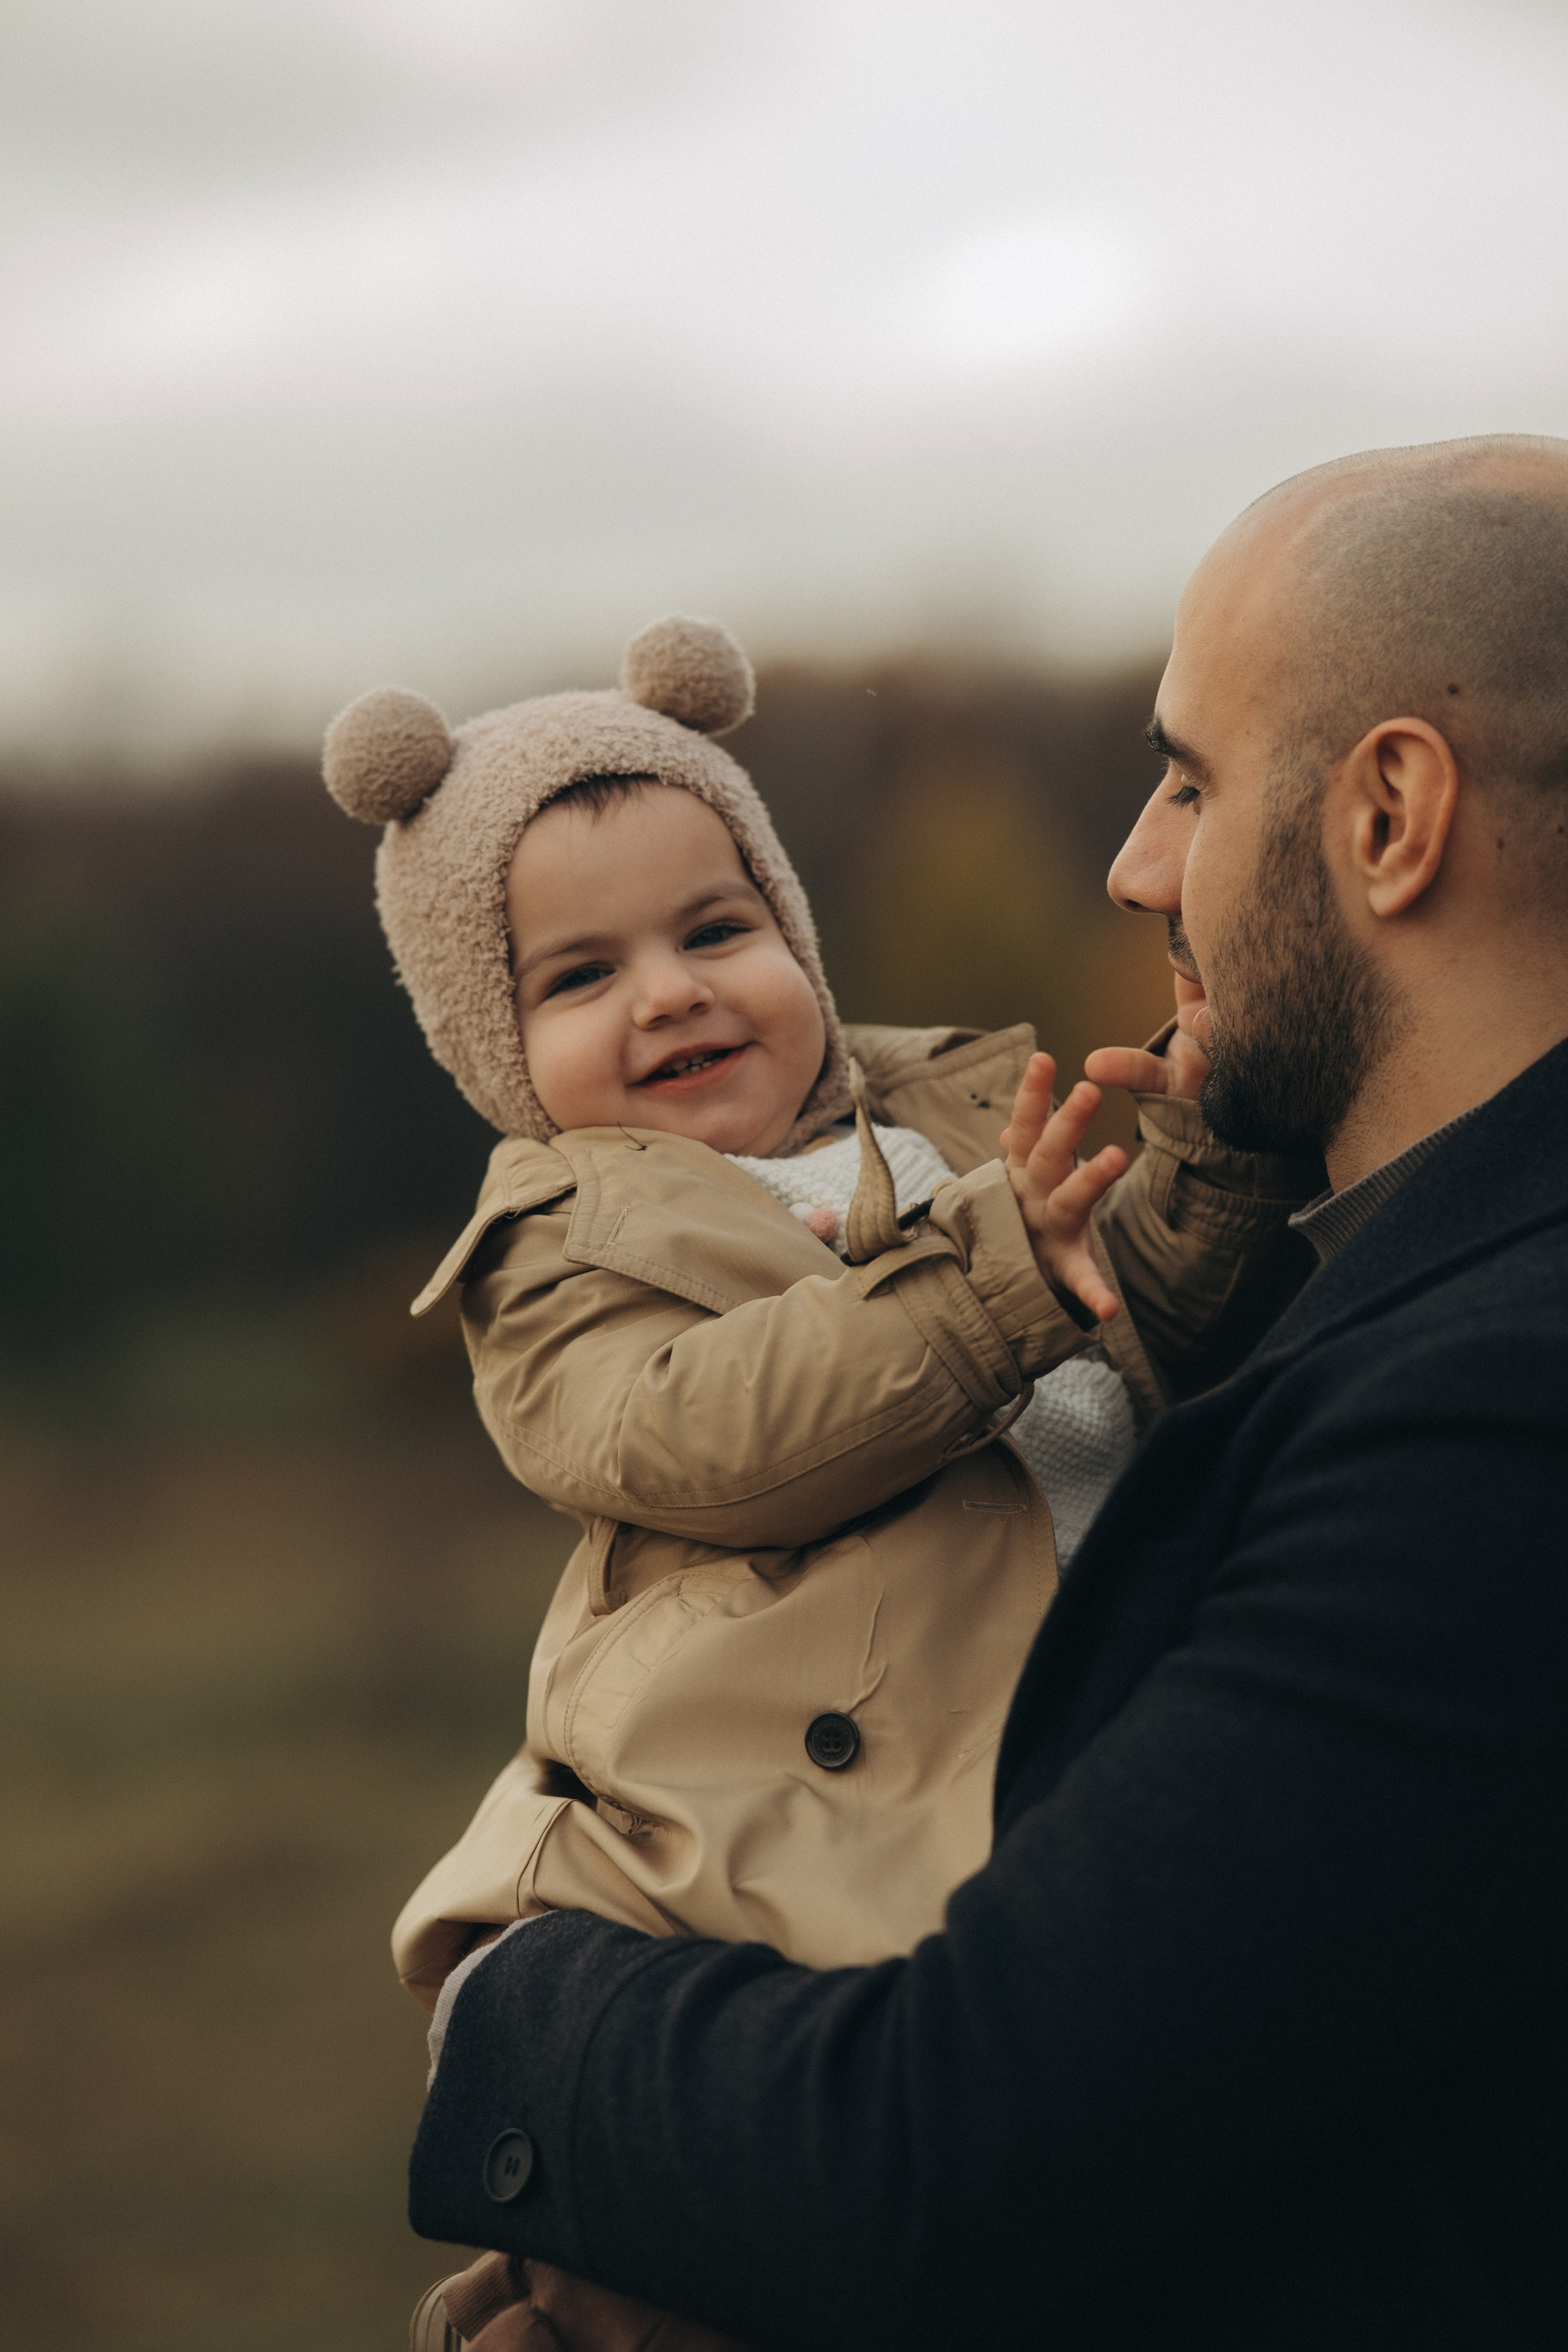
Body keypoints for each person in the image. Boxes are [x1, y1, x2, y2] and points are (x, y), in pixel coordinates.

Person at [404, 435, 1568, 2351]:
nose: (1133, 865)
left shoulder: (1492, 1423)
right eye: (584, 974)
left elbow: (950, 2159)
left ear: (1390, 816)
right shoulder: (1423, 1292)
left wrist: (503, 2011)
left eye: (1189, 780)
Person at [322, 617, 1316, 2350]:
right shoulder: (558, 1254)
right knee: (726, 2258)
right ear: (494, 1045)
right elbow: (714, 1436)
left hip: (1049, 1787)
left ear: (791, 926)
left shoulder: (953, 1125)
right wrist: (995, 1277)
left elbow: (1134, 1327)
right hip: (750, 1859)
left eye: (717, 930)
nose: (672, 991)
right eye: (581, 977)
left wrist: (1215, 1163)